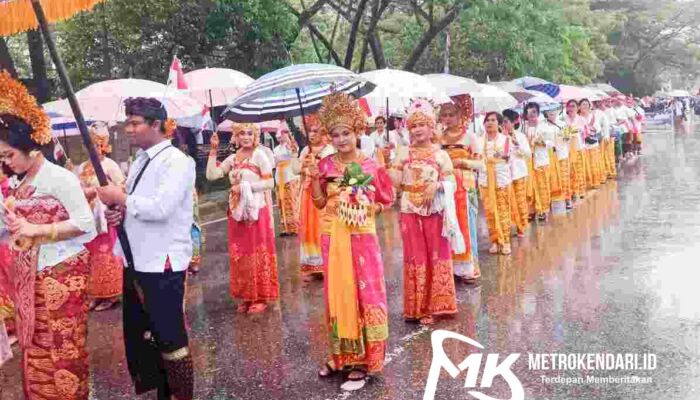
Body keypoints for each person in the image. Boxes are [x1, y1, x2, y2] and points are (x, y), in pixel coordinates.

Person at [0, 73, 97, 400]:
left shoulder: (60, 179)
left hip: (63, 275)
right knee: (37, 349)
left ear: (30, 147)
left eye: (9, 156)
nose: (6, 164)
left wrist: (39, 230)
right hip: (31, 278)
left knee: (64, 350)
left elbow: (87, 224)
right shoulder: (16, 183)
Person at [97, 97, 196, 400]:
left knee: (170, 337)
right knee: (145, 336)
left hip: (162, 263)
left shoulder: (177, 161)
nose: (129, 129)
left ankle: (182, 395)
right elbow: (137, 207)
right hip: (135, 259)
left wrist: (122, 197)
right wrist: (119, 212)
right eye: (127, 122)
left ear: (157, 125)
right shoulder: (141, 160)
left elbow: (161, 208)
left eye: (135, 122)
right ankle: (163, 394)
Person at [309, 91, 395, 391]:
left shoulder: (371, 165)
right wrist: (312, 181)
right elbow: (319, 203)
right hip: (332, 235)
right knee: (337, 294)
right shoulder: (324, 165)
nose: (341, 140)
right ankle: (341, 356)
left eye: (346, 133)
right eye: (335, 135)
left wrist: (372, 207)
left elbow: (387, 199)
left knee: (365, 292)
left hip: (361, 235)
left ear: (357, 132)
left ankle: (365, 359)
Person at [389, 99, 459, 324]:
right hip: (409, 210)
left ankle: (435, 306)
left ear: (431, 128)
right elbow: (395, 183)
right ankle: (416, 307)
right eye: (413, 126)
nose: (417, 130)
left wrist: (437, 185)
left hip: (434, 211)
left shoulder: (441, 155)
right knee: (415, 256)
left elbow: (452, 183)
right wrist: (391, 168)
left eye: (422, 125)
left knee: (435, 255)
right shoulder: (403, 152)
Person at [206, 123, 279, 314]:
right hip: (236, 210)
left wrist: (246, 187)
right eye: (241, 134)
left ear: (255, 136)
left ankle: (260, 296)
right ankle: (246, 296)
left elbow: (271, 182)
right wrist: (213, 150)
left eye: (249, 133)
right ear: (235, 137)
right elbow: (212, 175)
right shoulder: (232, 158)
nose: (245, 137)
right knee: (240, 254)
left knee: (257, 251)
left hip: (256, 210)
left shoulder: (260, 155)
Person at [76, 122, 125, 312]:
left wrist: (102, 192)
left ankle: (110, 294)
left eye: (96, 144)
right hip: (88, 217)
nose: (92, 149)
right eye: (89, 145)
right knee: (91, 255)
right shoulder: (81, 167)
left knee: (106, 253)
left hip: (104, 216)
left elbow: (122, 186)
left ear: (103, 145)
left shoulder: (109, 165)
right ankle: (96, 294)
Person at [439, 100, 481, 282]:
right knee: (447, 225)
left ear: (460, 115)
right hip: (445, 186)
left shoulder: (470, 137)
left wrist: (462, 162)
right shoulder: (438, 137)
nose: (448, 118)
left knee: (467, 226)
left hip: (464, 185)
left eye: (451, 114)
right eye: (444, 115)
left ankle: (469, 268)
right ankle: (450, 267)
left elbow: (481, 164)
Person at [295, 114, 335, 278]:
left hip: (322, 193)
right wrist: (299, 162)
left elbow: (329, 172)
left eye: (316, 131)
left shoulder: (329, 150)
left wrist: (313, 169)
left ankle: (326, 262)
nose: (311, 135)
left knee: (322, 225)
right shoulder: (305, 150)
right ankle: (313, 264)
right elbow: (295, 170)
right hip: (306, 193)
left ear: (324, 134)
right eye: (309, 131)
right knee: (309, 227)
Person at [476, 112, 514, 255]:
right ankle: (494, 241)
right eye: (487, 120)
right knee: (490, 211)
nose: (489, 123)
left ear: (499, 123)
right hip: (485, 180)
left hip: (501, 179)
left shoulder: (506, 139)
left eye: (493, 120)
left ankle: (505, 241)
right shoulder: (479, 141)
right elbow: (476, 160)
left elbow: (510, 160)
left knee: (503, 210)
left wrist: (504, 156)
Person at [523, 102, 553, 221]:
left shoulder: (544, 125)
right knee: (529, 186)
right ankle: (531, 210)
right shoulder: (522, 126)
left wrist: (542, 143)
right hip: (527, 161)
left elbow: (551, 142)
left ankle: (543, 209)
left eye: (534, 112)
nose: (531, 114)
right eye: (529, 112)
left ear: (538, 113)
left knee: (542, 186)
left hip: (541, 160)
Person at [502, 109, 531, 236]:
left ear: (513, 122)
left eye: (506, 121)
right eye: (502, 122)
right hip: (504, 174)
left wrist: (517, 145)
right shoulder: (499, 137)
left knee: (519, 200)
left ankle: (522, 226)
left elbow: (528, 154)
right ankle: (508, 226)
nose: (504, 124)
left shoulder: (520, 136)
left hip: (518, 172)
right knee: (506, 201)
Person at [273, 122, 301, 236]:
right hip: (280, 176)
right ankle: (285, 227)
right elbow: (274, 162)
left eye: (283, 134)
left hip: (290, 176)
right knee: (281, 202)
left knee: (292, 202)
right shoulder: (276, 149)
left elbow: (294, 153)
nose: (280, 137)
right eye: (279, 136)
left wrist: (290, 142)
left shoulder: (292, 145)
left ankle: (295, 227)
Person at [564, 100, 587, 201]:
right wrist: (571, 131)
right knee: (569, 171)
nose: (572, 108)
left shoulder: (581, 119)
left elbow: (581, 131)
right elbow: (564, 134)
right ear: (567, 108)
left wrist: (570, 130)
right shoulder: (563, 119)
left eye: (574, 106)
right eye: (570, 106)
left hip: (578, 147)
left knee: (578, 170)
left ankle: (579, 190)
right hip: (567, 149)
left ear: (577, 108)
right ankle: (572, 191)